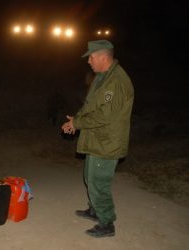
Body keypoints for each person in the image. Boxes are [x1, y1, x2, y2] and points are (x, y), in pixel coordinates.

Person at [61, 40, 134, 238]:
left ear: (103, 57)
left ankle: (106, 222)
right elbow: (91, 104)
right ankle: (95, 210)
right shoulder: (102, 77)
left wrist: (77, 124)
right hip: (97, 139)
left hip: (107, 142)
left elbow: (105, 115)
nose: (89, 62)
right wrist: (77, 119)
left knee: (98, 182)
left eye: (91, 57)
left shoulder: (117, 81)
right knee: (89, 177)